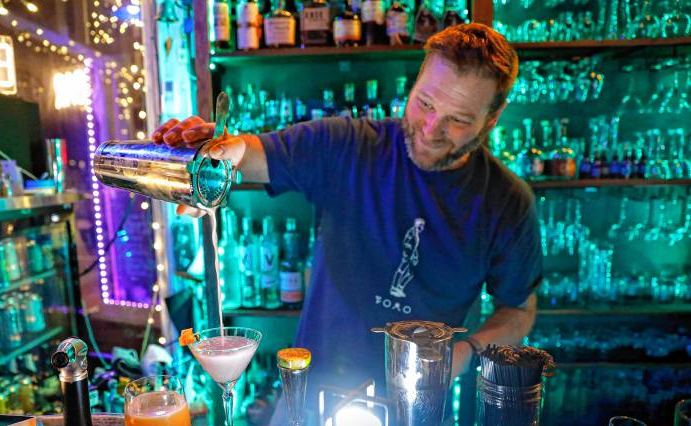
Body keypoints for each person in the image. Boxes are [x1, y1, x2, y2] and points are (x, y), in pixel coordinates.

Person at [154, 23, 542, 402]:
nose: (430, 128)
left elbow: (518, 310)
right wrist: (213, 155)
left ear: (492, 117)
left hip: (416, 403)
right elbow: (251, 153)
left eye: (458, 120)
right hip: (311, 397)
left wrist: (465, 352)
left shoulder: (507, 201)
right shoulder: (348, 145)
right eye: (425, 102)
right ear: (416, 81)